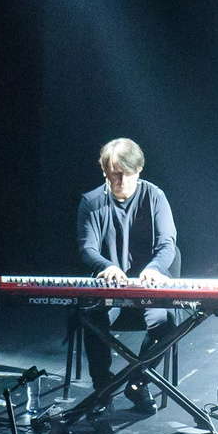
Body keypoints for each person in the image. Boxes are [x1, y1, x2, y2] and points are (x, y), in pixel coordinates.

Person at [74, 139, 181, 415]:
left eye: (127, 173)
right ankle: (104, 387)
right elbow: (87, 248)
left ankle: (138, 382)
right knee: (91, 316)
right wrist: (106, 266)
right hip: (110, 291)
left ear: (139, 170)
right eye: (114, 174)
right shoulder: (91, 202)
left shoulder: (155, 197)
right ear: (105, 172)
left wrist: (154, 269)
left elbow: (168, 243)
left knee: (167, 323)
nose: (120, 181)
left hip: (149, 290)